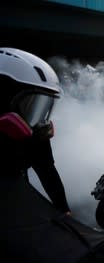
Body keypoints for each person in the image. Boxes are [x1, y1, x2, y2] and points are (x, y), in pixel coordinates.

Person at [0, 47, 71, 215]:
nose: (37, 119)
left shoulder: (34, 135)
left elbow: (48, 173)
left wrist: (65, 211)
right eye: (30, 105)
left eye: (41, 106)